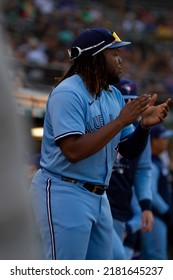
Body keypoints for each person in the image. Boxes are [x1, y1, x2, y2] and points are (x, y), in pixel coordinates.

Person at [29, 27, 171, 260]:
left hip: (98, 195)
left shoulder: (112, 95)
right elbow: (73, 151)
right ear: (96, 57)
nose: (120, 60)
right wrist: (121, 120)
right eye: (114, 53)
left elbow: (127, 150)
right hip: (64, 190)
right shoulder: (68, 92)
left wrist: (143, 127)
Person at [106, 78, 154, 260]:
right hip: (101, 203)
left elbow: (143, 169)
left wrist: (146, 206)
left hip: (121, 208)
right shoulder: (107, 124)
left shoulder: (141, 130)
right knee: (116, 259)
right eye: (124, 100)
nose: (128, 104)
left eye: (132, 101)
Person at [140, 124, 173, 259]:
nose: (166, 141)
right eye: (162, 138)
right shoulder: (151, 164)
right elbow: (151, 192)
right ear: (153, 140)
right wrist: (166, 211)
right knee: (156, 258)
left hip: (159, 217)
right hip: (154, 218)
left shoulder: (159, 161)